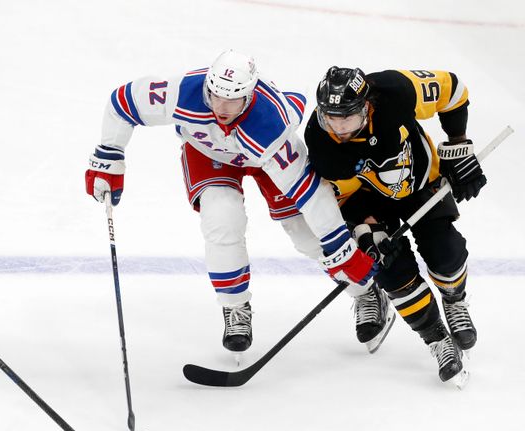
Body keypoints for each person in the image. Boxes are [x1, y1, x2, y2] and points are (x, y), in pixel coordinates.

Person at [85, 50, 381, 358]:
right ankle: (234, 307)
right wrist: (109, 154)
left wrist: (342, 247)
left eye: (232, 100)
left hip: (262, 157)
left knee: (306, 233)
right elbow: (123, 102)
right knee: (221, 218)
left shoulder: (270, 128)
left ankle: (365, 291)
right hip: (209, 150)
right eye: (215, 97)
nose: (221, 108)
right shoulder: (182, 93)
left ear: (249, 96)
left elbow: (310, 194)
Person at [304, 66, 485, 385]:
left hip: (422, 185)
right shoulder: (322, 143)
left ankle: (454, 300)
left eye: (345, 117)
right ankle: (436, 339)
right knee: (390, 269)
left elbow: (453, 90)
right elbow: (343, 197)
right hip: (370, 201)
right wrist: (368, 229)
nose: (338, 126)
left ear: (367, 105)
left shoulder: (397, 91)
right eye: (330, 116)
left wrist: (458, 147)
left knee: (445, 252)